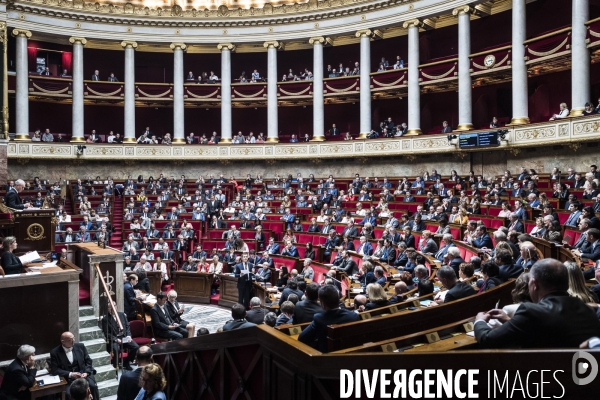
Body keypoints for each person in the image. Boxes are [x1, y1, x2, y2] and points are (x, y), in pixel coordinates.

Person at [474, 259, 600, 348]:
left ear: (534, 284)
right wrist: (509, 321)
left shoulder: (530, 312)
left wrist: (480, 321)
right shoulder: (587, 310)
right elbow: (552, 334)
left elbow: (488, 339)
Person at [298, 285, 360, 352]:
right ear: (338, 299)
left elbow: (302, 338)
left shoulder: (319, 319)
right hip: (351, 355)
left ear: (322, 304)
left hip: (328, 358)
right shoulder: (353, 316)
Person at [49, 332, 100, 400]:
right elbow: (55, 370)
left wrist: (86, 372)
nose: (73, 341)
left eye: (74, 338)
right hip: (68, 380)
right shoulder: (55, 352)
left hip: (83, 376)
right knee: (68, 393)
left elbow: (88, 361)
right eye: (70, 339)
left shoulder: (80, 346)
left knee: (92, 386)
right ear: (63, 341)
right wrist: (70, 374)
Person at [101, 301, 139, 370]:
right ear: (108, 309)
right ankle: (115, 366)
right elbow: (107, 334)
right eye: (110, 307)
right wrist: (116, 339)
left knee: (135, 347)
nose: (113, 308)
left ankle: (126, 362)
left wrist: (129, 336)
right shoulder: (105, 319)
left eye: (114, 306)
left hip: (124, 337)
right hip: (115, 339)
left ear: (116, 306)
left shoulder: (122, 315)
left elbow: (127, 326)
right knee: (116, 349)